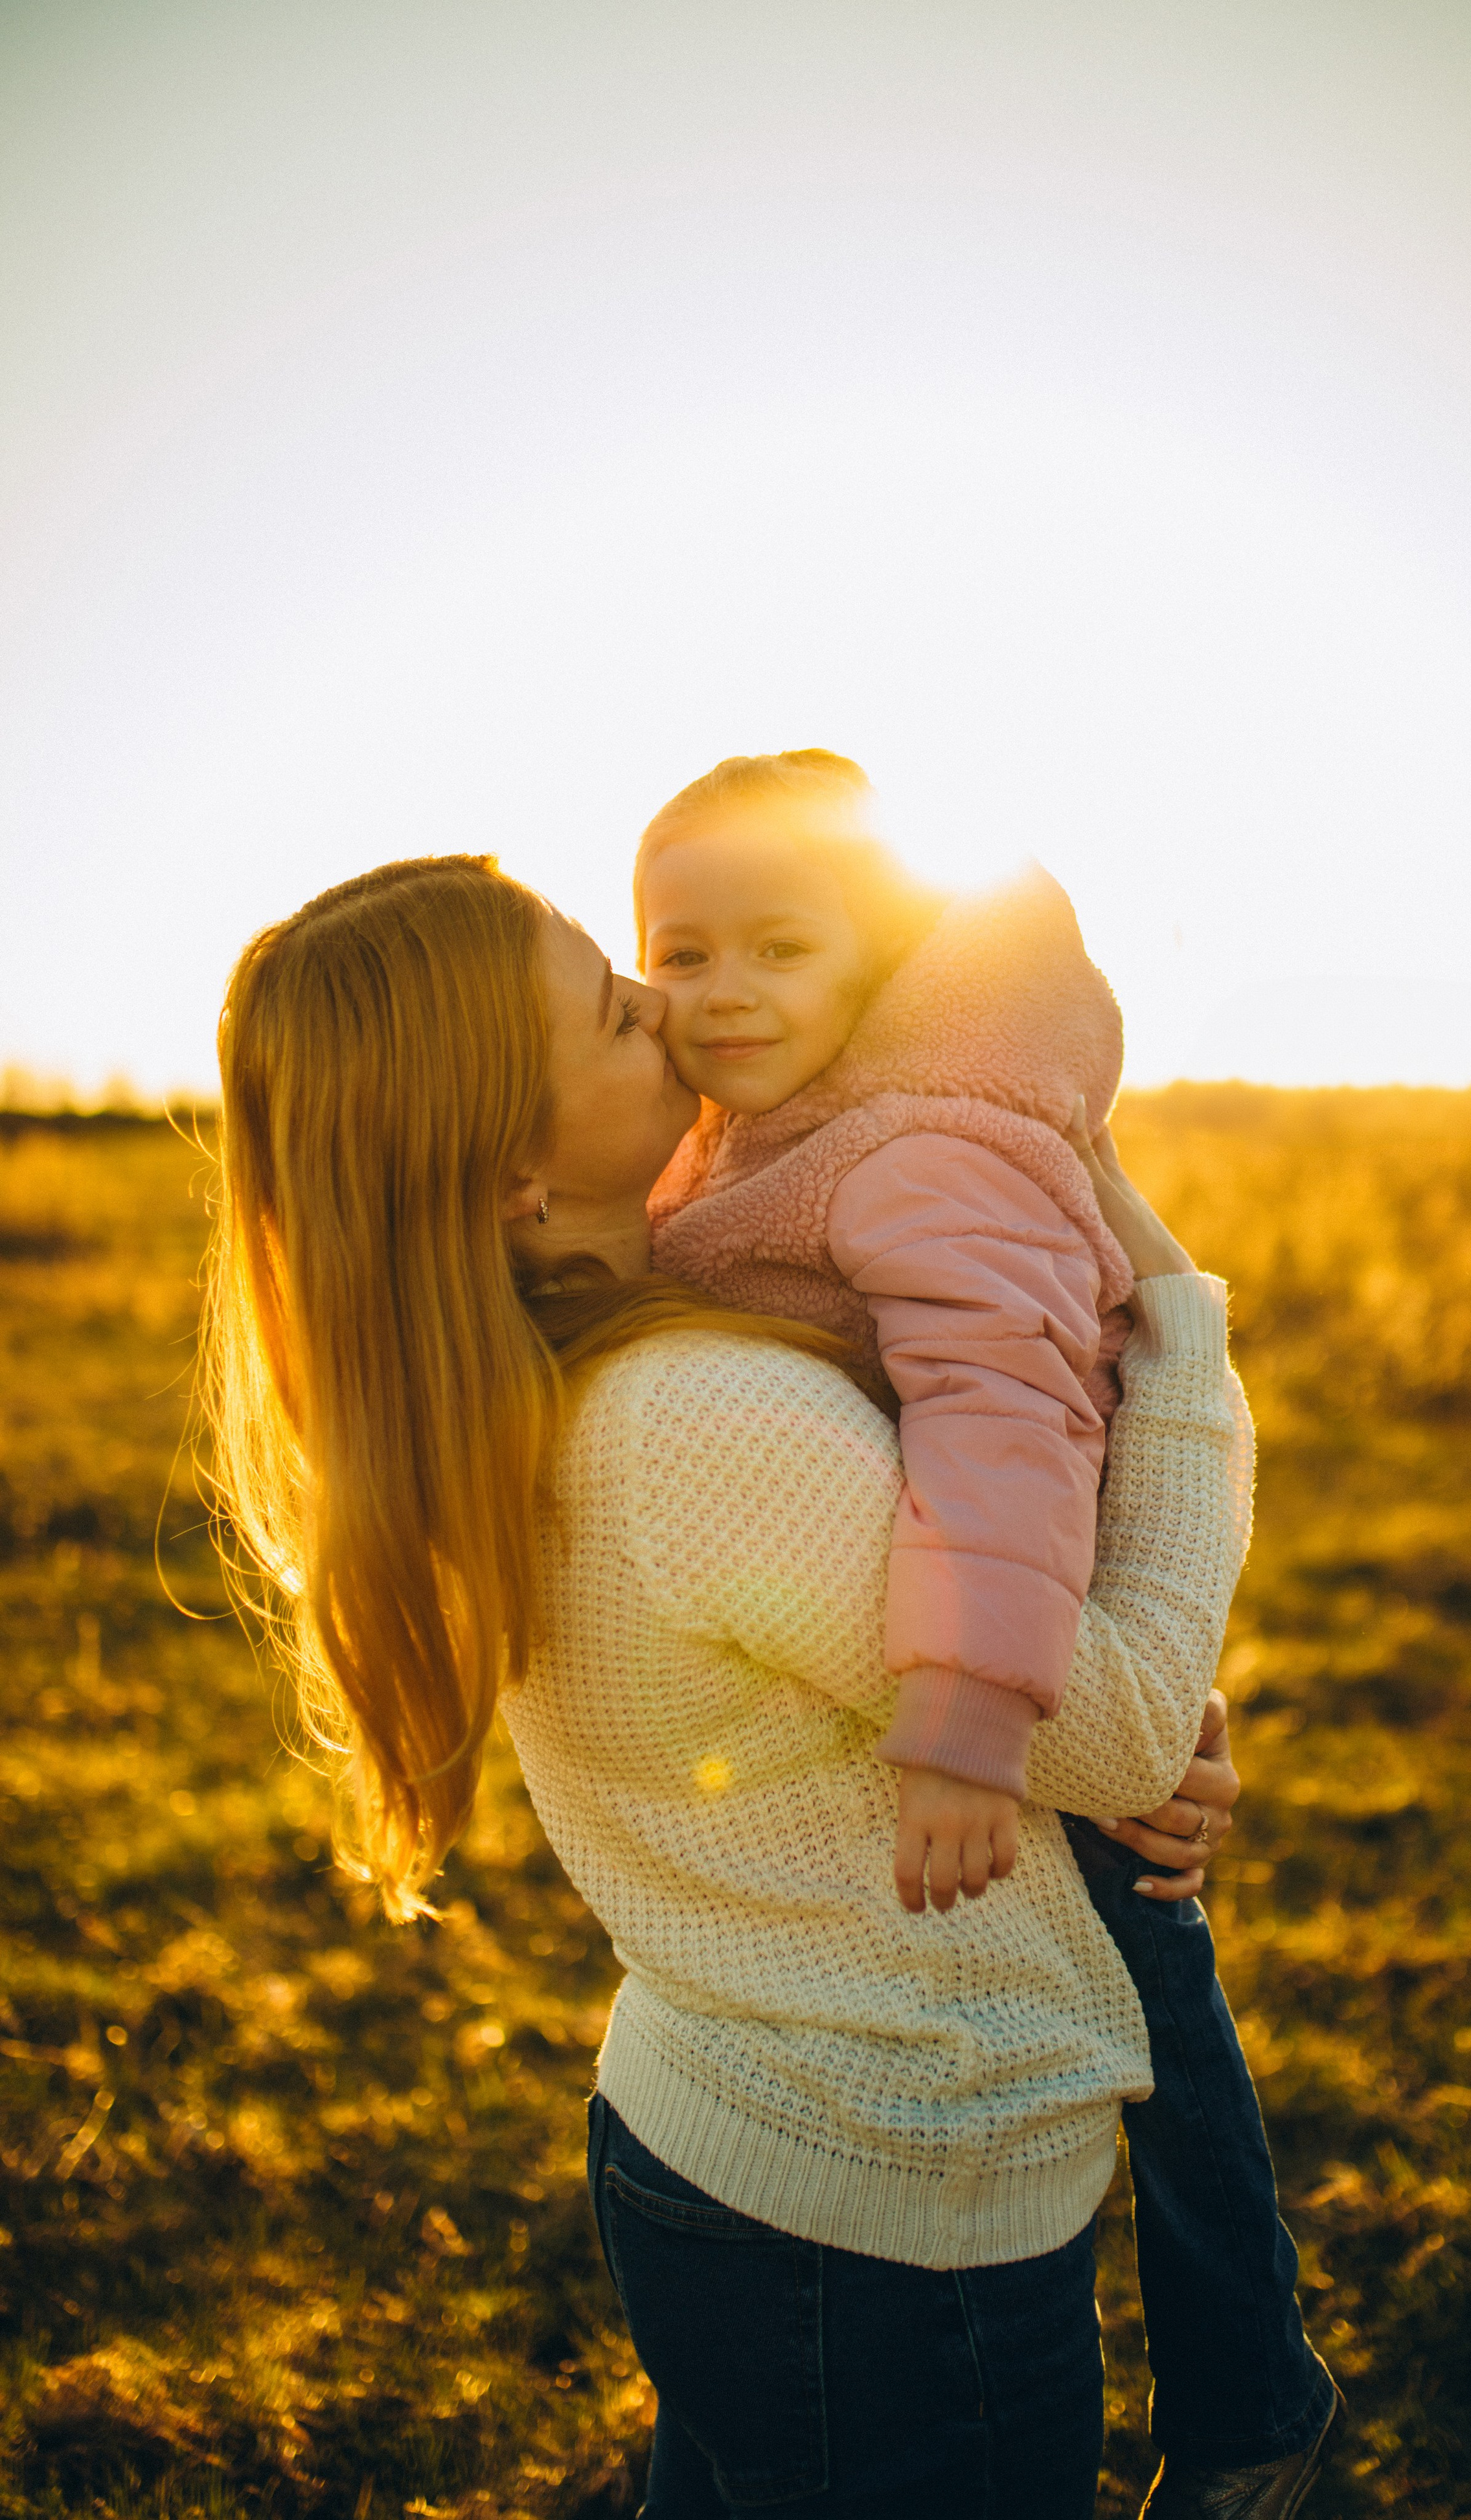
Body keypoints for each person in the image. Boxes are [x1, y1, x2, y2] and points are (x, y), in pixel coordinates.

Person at [203, 852, 1333, 2519]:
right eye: (607, 1007)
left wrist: (1112, 1743)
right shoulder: (697, 1427)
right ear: (514, 1168)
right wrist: (1179, 1345)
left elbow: (982, 1701)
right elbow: (1108, 1722)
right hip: (881, 2210)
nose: (662, 1004)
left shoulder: (557, 1376)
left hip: (725, 2129)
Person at [635, 752, 1341, 2514]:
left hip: (1040, 1617)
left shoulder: (924, 1149)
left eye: (776, 950)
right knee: (1150, 1973)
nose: (719, 996)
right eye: (680, 950)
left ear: (872, 971)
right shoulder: (772, 1133)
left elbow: (1003, 1429)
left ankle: (1252, 2395)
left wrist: (966, 1718)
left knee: (1159, 1995)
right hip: (1011, 1625)